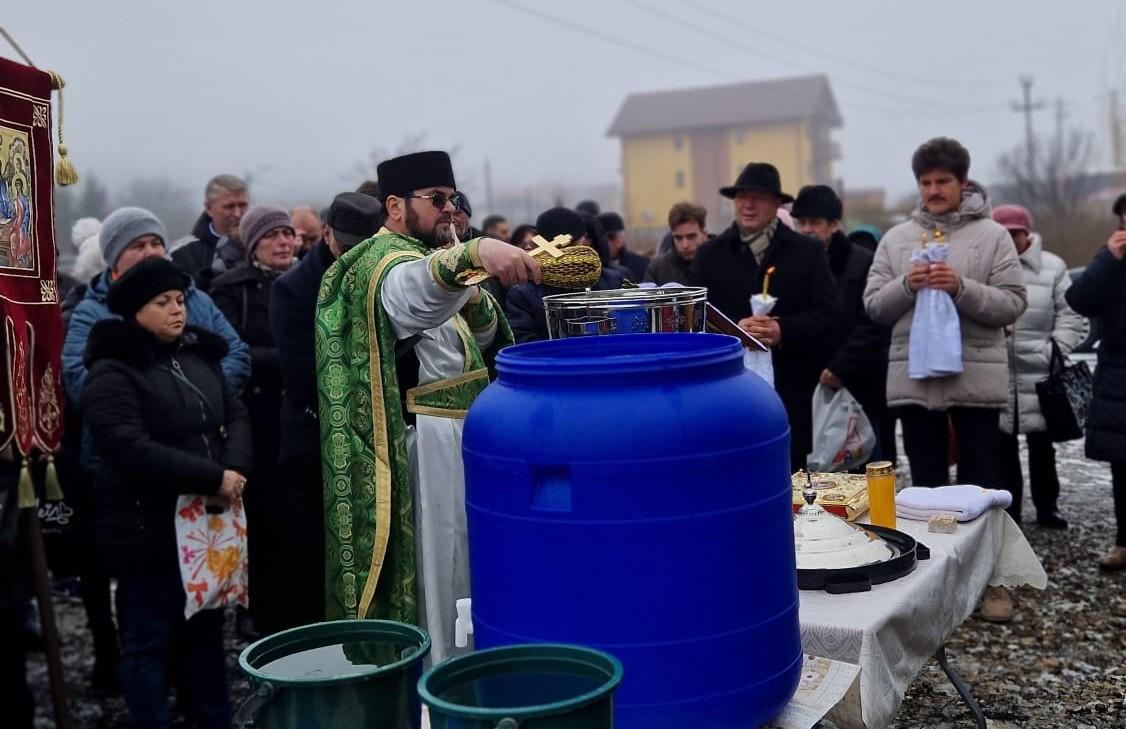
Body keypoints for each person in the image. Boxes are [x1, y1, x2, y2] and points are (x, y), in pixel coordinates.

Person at [316, 151, 537, 663]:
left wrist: (473, 292)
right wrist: (476, 253)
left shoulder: (428, 254)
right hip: (426, 442)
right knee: (443, 570)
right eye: (437, 199)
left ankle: (482, 670)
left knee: (477, 563)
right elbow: (415, 297)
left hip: (470, 435)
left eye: (453, 199)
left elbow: (480, 339)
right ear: (395, 206)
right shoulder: (376, 261)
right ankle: (440, 680)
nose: (450, 210)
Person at [81, 257, 252, 729]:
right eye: (163, 302)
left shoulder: (197, 356)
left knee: (205, 635)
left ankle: (214, 720)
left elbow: (234, 413)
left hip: (204, 525)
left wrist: (235, 468)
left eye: (179, 300)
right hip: (146, 529)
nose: (177, 310)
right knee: (148, 641)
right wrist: (211, 477)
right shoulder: (112, 372)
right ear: (136, 310)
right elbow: (130, 447)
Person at [864, 138, 1026, 622]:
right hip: (914, 383)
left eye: (943, 182)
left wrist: (961, 287)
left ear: (962, 182)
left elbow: (1013, 302)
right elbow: (873, 306)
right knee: (925, 489)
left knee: (983, 485)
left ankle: (994, 581)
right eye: (926, 182)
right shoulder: (896, 239)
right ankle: (933, 586)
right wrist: (906, 285)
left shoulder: (992, 236)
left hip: (975, 379)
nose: (933, 190)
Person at [270, 192, 383, 631]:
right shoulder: (293, 288)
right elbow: (301, 373)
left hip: (372, 440)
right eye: (346, 245)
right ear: (327, 234)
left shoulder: (380, 273)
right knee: (315, 556)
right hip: (314, 442)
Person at [690, 162, 840, 470]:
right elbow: (694, 322)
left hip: (790, 396)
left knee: (788, 479)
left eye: (758, 197)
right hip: (729, 395)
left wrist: (782, 330)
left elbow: (830, 317)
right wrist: (733, 330)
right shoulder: (710, 255)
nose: (748, 205)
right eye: (741, 197)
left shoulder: (807, 252)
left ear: (776, 204)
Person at [63, 207, 250, 406]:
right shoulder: (91, 311)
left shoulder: (196, 300)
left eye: (156, 243)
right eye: (138, 246)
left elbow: (235, 352)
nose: (150, 252)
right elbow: (79, 378)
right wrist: (160, 404)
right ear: (114, 258)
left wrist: (205, 395)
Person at [211, 205, 297, 637]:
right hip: (256, 418)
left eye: (287, 234)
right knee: (261, 520)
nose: (283, 242)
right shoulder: (231, 288)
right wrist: (290, 359)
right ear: (251, 244)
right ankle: (260, 612)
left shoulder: (307, 282)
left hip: (297, 415)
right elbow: (231, 349)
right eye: (271, 235)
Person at [992, 204, 1083, 528]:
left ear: (1026, 233)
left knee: (1042, 447)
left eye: (1015, 233)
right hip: (998, 370)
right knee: (1003, 448)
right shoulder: (988, 266)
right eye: (1004, 234)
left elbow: (1070, 312)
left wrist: (1055, 349)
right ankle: (1010, 509)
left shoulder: (1053, 267)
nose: (1010, 240)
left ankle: (1048, 507)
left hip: (1040, 369)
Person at [791, 185, 889, 462]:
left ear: (833, 225)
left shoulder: (861, 263)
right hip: (808, 386)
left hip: (859, 386)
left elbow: (872, 322)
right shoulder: (793, 265)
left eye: (814, 223)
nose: (806, 230)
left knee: (865, 463)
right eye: (801, 223)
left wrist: (839, 367)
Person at [1065, 225, 1126, 570]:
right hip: (1119, 377)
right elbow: (1079, 299)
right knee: (1122, 466)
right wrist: (1108, 258)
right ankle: (1124, 543)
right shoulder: (1114, 261)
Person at [506, 207, 626, 343]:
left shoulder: (522, 292)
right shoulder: (613, 280)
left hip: (551, 356)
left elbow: (524, 344)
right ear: (583, 240)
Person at [170, 174, 250, 291]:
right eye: (229, 207)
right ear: (208, 208)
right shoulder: (182, 253)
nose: (238, 214)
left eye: (243, 205)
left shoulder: (264, 246)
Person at [644, 202, 707, 286]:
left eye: (691, 236)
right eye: (678, 238)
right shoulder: (658, 268)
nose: (685, 245)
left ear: (704, 234)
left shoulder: (720, 261)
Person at [598, 211, 649, 282]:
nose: (608, 243)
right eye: (603, 239)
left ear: (622, 237)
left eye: (612, 237)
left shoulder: (642, 264)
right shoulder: (593, 267)